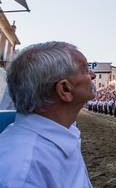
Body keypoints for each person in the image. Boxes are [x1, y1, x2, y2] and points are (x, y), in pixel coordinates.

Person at [0, 41, 94, 187]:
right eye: (85, 70)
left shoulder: (63, 131)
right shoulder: (24, 173)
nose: (93, 75)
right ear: (65, 90)